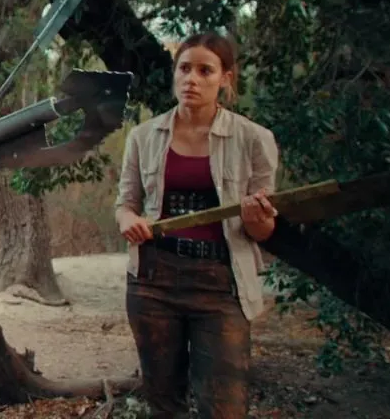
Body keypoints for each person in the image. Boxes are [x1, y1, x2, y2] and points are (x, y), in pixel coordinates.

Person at [114, 32, 280, 418]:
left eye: (205, 71)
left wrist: (257, 219)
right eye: (184, 68)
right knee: (164, 404)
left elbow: (264, 232)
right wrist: (129, 221)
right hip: (152, 282)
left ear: (225, 78)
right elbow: (126, 204)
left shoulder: (254, 139)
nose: (192, 79)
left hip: (221, 285)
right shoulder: (143, 137)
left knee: (225, 408)